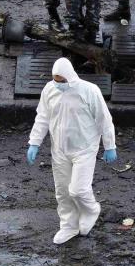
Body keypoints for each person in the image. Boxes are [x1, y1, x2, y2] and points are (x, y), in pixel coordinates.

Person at [27, 58, 117, 245]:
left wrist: (110, 146)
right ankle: (68, 226)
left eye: (61, 80)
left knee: (78, 190)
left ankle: (91, 209)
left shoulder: (89, 90)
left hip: (84, 148)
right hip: (59, 149)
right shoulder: (49, 90)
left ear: (69, 76)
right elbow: (43, 117)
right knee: (62, 191)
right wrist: (34, 142)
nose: (58, 84)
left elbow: (103, 119)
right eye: (55, 80)